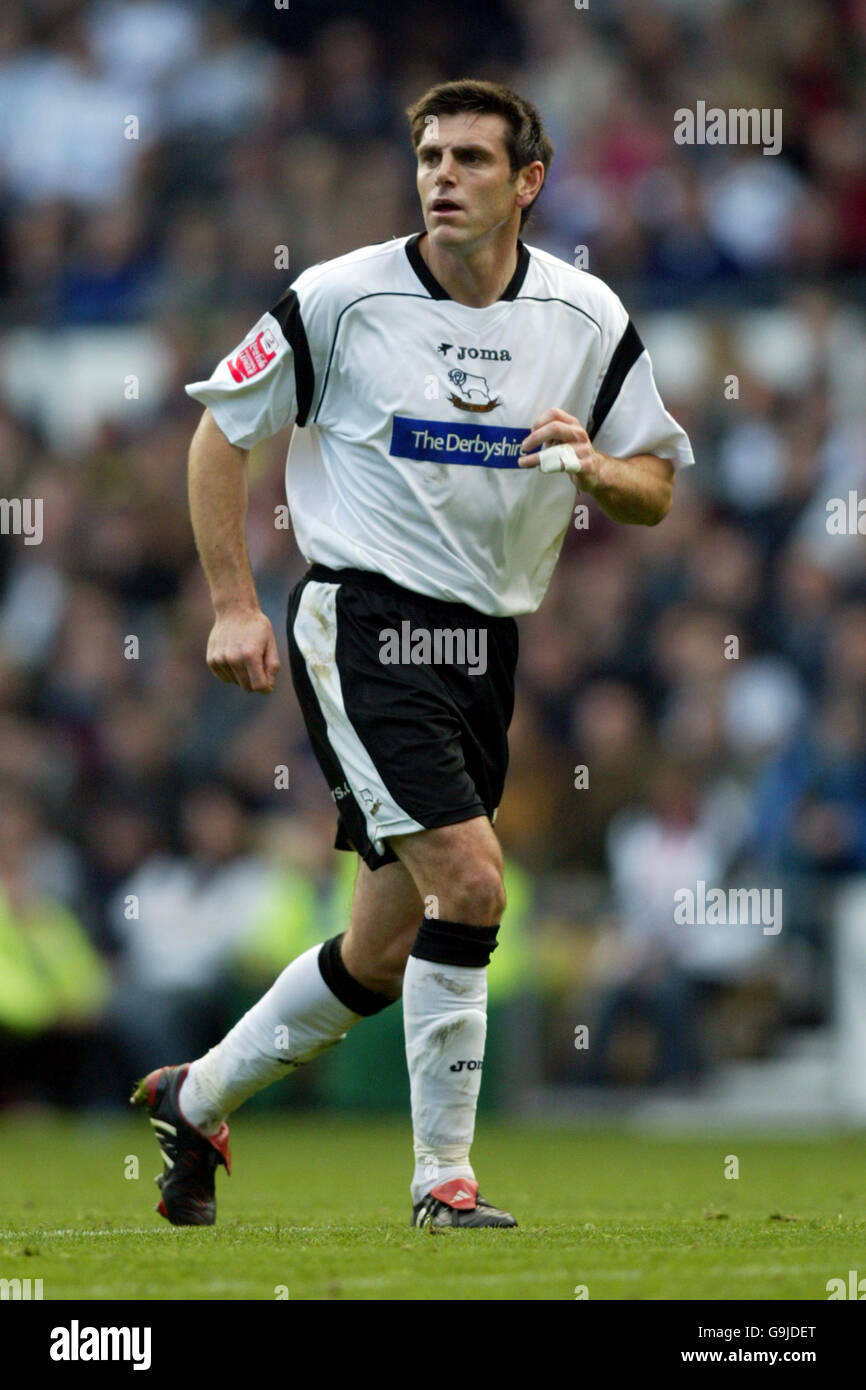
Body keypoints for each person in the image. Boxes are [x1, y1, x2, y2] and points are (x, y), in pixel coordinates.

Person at [132, 78, 694, 1229]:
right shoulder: (337, 297)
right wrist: (234, 604)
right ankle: (441, 1181)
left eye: (471, 159)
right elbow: (217, 435)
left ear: (527, 183)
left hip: (485, 643)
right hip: (363, 620)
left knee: (384, 948)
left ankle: (195, 1096)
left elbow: (655, 487)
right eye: (431, 155)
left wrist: (594, 470)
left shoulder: (586, 318)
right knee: (476, 880)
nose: (441, 175)